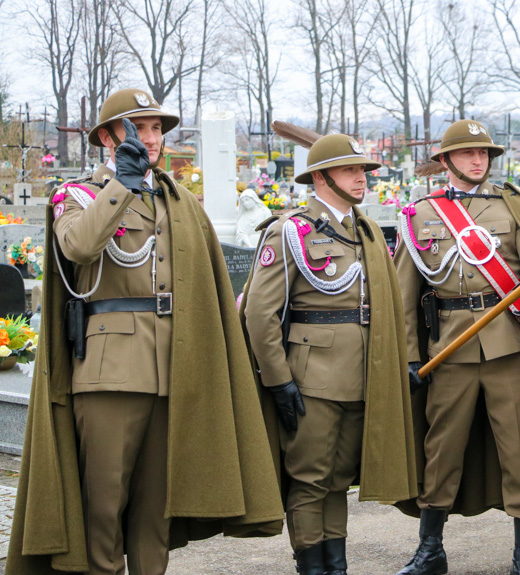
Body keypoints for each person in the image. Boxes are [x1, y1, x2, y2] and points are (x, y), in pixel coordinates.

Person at [7, 88, 283, 575]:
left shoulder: (180, 203)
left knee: (156, 517)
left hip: (175, 370)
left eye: (157, 128)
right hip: (109, 372)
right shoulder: (79, 196)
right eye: (139, 127)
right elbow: (78, 246)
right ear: (109, 136)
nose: (151, 138)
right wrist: (124, 184)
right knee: (103, 513)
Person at [393, 119, 520, 575]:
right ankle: (430, 551)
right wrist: (409, 356)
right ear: (445, 161)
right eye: (467, 153)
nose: (478, 160)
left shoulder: (515, 206)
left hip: (509, 344)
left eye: (484, 154)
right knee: (441, 450)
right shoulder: (420, 214)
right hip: (449, 352)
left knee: (517, 450)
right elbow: (404, 296)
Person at [242, 133, 416, 574]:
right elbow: (260, 315)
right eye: (350, 170)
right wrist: (278, 380)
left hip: (362, 376)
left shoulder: (367, 230)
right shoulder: (290, 231)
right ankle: (313, 567)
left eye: (362, 170)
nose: (361, 178)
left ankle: (336, 567)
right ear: (320, 177)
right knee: (309, 479)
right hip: (310, 377)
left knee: (339, 479)